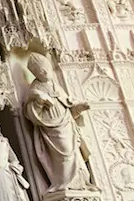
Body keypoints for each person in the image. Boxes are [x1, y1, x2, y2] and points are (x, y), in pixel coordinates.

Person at [23, 53, 93, 193]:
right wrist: (40, 101)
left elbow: (68, 108)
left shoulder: (57, 86)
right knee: (65, 153)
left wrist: (80, 107)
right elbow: (32, 114)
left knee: (76, 156)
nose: (44, 72)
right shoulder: (34, 90)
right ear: (35, 73)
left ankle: (81, 183)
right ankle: (64, 183)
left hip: (67, 125)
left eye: (46, 68)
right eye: (40, 70)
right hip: (52, 128)